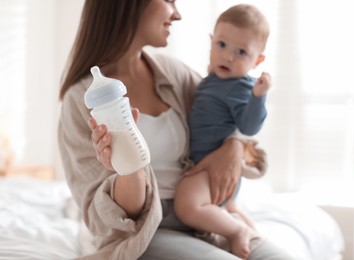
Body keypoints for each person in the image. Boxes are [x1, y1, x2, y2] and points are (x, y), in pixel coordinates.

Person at [57, 0, 294, 259]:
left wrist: (233, 145)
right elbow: (104, 219)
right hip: (145, 233)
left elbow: (229, 106)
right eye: (169, 1)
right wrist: (130, 169)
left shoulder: (172, 73)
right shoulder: (80, 101)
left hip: (206, 221)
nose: (177, 14)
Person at [174, 4, 271, 259]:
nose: (228, 56)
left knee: (187, 205)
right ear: (211, 42)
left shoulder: (242, 88)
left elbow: (249, 127)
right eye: (221, 45)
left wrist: (258, 96)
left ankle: (237, 231)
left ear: (257, 60)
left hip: (211, 168)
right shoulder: (218, 79)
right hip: (213, 166)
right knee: (229, 207)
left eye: (241, 52)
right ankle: (249, 228)